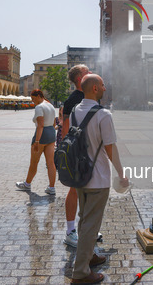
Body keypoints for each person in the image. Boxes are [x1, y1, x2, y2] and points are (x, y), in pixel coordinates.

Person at [70, 74, 128, 284]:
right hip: (98, 177)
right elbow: (110, 149)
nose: (105, 87)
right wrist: (121, 173)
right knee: (91, 225)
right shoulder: (104, 114)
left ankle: (90, 255)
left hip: (79, 176)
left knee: (84, 219)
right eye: (102, 84)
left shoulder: (75, 112)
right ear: (94, 88)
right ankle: (81, 273)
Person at [62, 64, 91, 247]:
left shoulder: (87, 96)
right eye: (88, 72)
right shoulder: (74, 99)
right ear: (80, 78)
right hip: (76, 152)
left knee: (86, 190)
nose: (91, 73)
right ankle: (70, 231)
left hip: (87, 151)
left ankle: (86, 227)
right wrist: (71, 152)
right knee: (74, 189)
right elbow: (66, 127)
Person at [16, 89, 57, 194]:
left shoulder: (39, 107)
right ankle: (52, 187)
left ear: (39, 96)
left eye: (33, 99)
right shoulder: (50, 105)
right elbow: (54, 122)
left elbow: (40, 125)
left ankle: (27, 184)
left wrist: (37, 141)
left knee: (34, 162)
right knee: (51, 163)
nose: (33, 102)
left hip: (42, 134)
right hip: (52, 133)